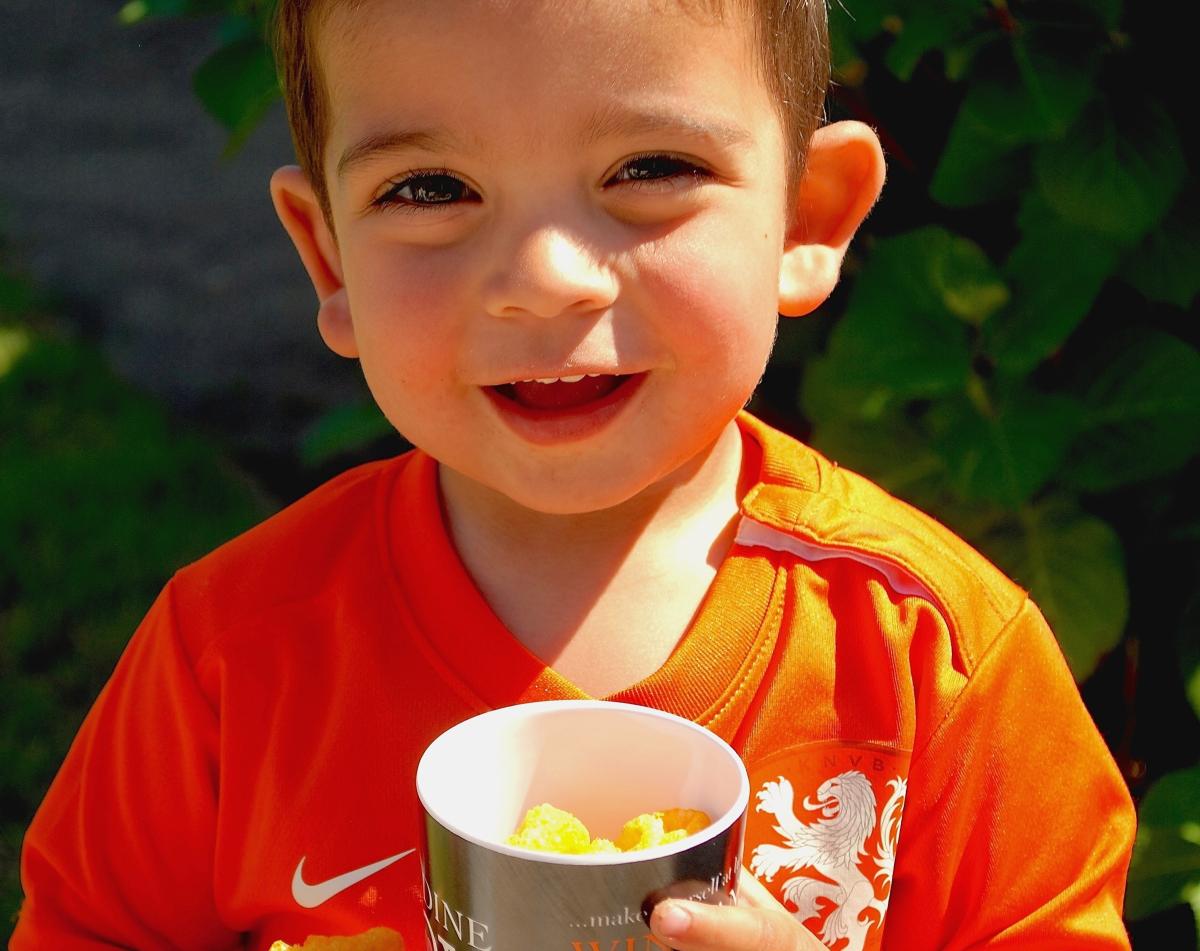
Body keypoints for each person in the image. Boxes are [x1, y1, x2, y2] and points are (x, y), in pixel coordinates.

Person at [13, 0, 1136, 948]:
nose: (546, 276)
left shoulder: (936, 661)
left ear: (807, 215)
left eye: (651, 169)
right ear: (329, 256)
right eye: (430, 188)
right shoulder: (232, 655)